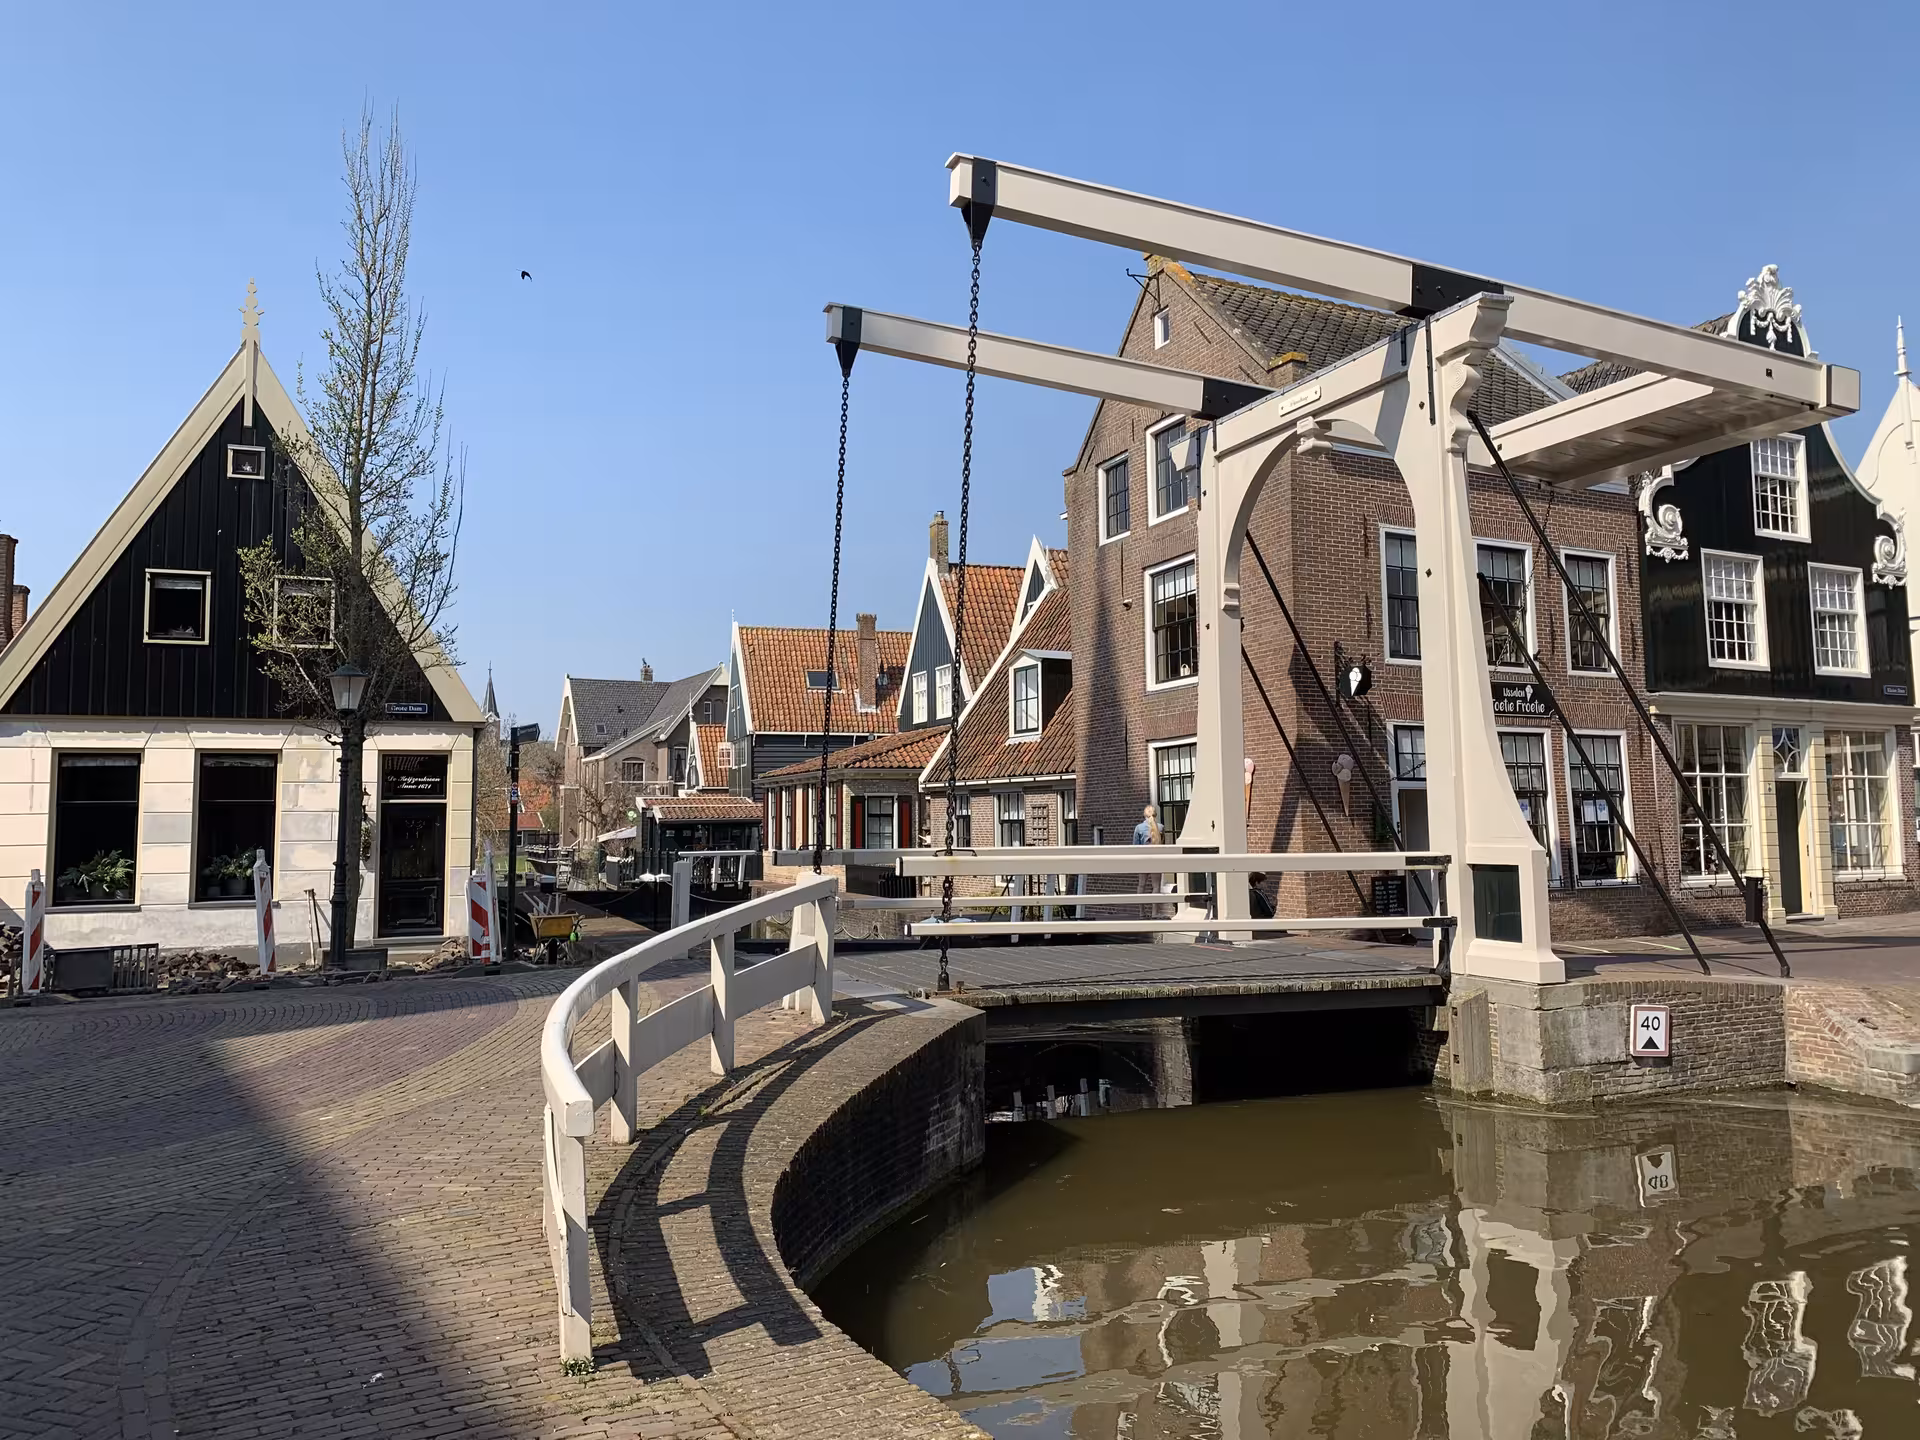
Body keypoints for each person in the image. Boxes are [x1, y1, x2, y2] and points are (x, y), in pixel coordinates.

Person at [1133, 803, 1167, 917]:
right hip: (1156, 860)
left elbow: (1135, 847)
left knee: (1141, 885)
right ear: (1155, 815)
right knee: (1156, 886)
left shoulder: (1138, 828)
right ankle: (1154, 913)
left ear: (1144, 815)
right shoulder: (1161, 827)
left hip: (1143, 860)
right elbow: (1163, 845)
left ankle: (1142, 912)